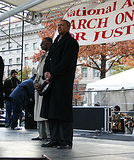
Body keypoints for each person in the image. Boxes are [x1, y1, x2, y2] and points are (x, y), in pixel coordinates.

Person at [40, 20, 79, 149]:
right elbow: (48, 60)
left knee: (63, 111)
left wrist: (53, 73)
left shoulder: (71, 43)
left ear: (68, 27)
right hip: (52, 81)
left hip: (63, 81)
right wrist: (46, 72)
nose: (59, 27)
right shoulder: (55, 42)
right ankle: (54, 139)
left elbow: (66, 63)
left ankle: (66, 140)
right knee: (52, 111)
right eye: (58, 25)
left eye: (62, 25)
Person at [31, 37, 52, 141]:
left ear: (49, 43)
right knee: (38, 110)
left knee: (45, 110)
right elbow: (38, 72)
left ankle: (48, 134)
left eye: (43, 43)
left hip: (46, 85)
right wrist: (35, 83)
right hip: (39, 85)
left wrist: (43, 83)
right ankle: (41, 134)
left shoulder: (51, 55)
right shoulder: (43, 56)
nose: (40, 45)